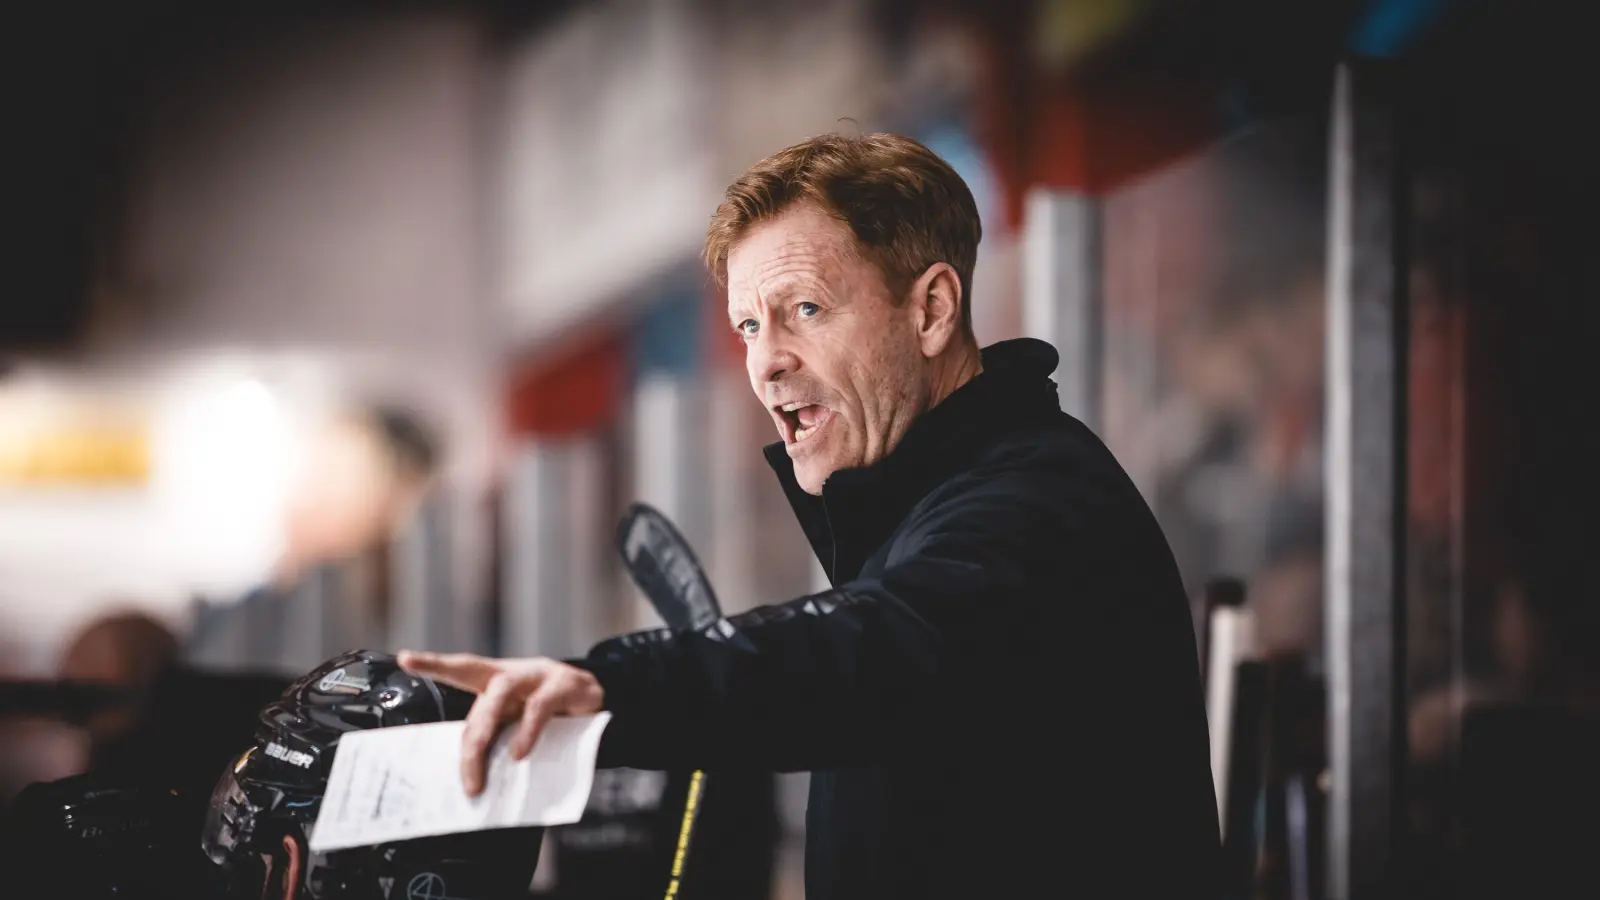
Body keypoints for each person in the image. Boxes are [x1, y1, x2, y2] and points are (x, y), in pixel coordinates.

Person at [401, 132, 1221, 899]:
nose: (766, 362)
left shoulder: (1036, 500)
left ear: (932, 310)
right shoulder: (922, 511)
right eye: (750, 326)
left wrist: (612, 684)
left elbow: (869, 648)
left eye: (806, 311)